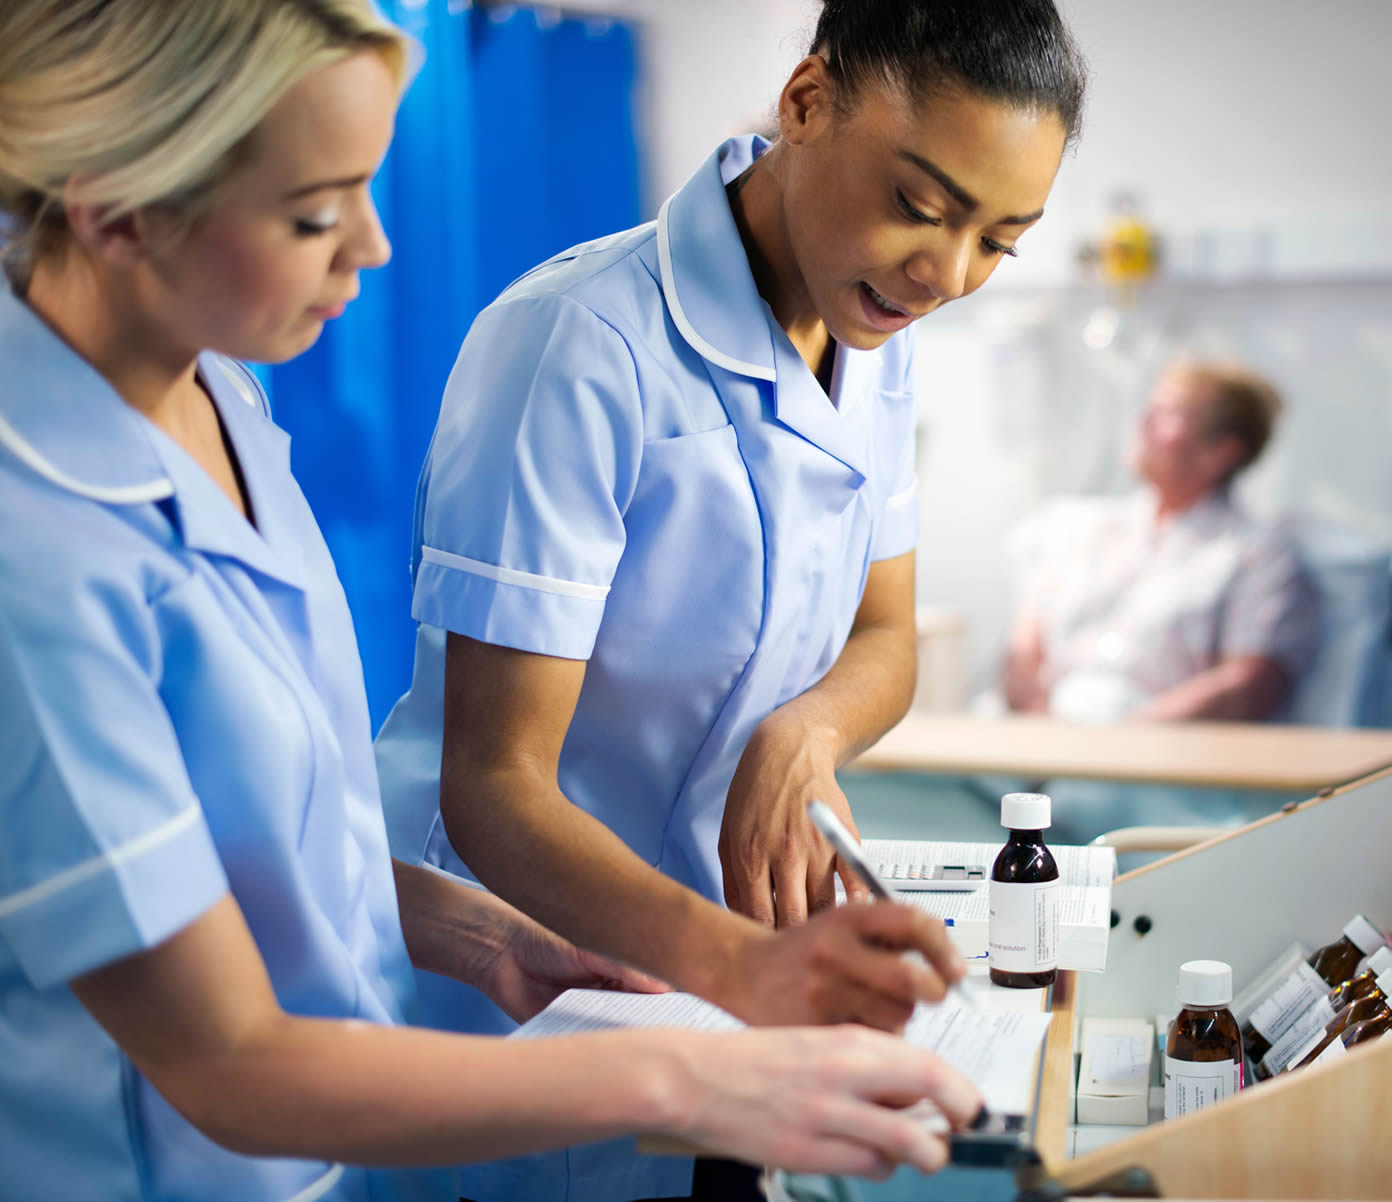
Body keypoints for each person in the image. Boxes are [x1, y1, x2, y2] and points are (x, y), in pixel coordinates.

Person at [0, 4, 978, 1200]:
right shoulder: (32, 556)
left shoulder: (218, 394)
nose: (373, 247)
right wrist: (692, 1073)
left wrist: (467, 926)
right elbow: (225, 1059)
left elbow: (254, 838)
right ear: (116, 209)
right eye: (314, 212)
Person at [372, 1, 1086, 1197]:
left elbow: (886, 637)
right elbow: (495, 787)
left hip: (714, 987)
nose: (946, 273)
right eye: (921, 204)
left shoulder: (877, 337)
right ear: (805, 103)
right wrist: (744, 969)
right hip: (526, 981)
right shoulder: (579, 342)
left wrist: (802, 733)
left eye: (998, 240)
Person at [1004, 358, 1320, 725]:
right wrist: (1043, 731)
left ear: (1221, 452)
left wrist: (1120, 741)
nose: (1142, 422)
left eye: (1169, 414)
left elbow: (1248, 686)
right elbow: (1023, 651)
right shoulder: (1081, 531)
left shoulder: (1255, 555)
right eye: (1150, 408)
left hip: (1153, 755)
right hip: (1040, 739)